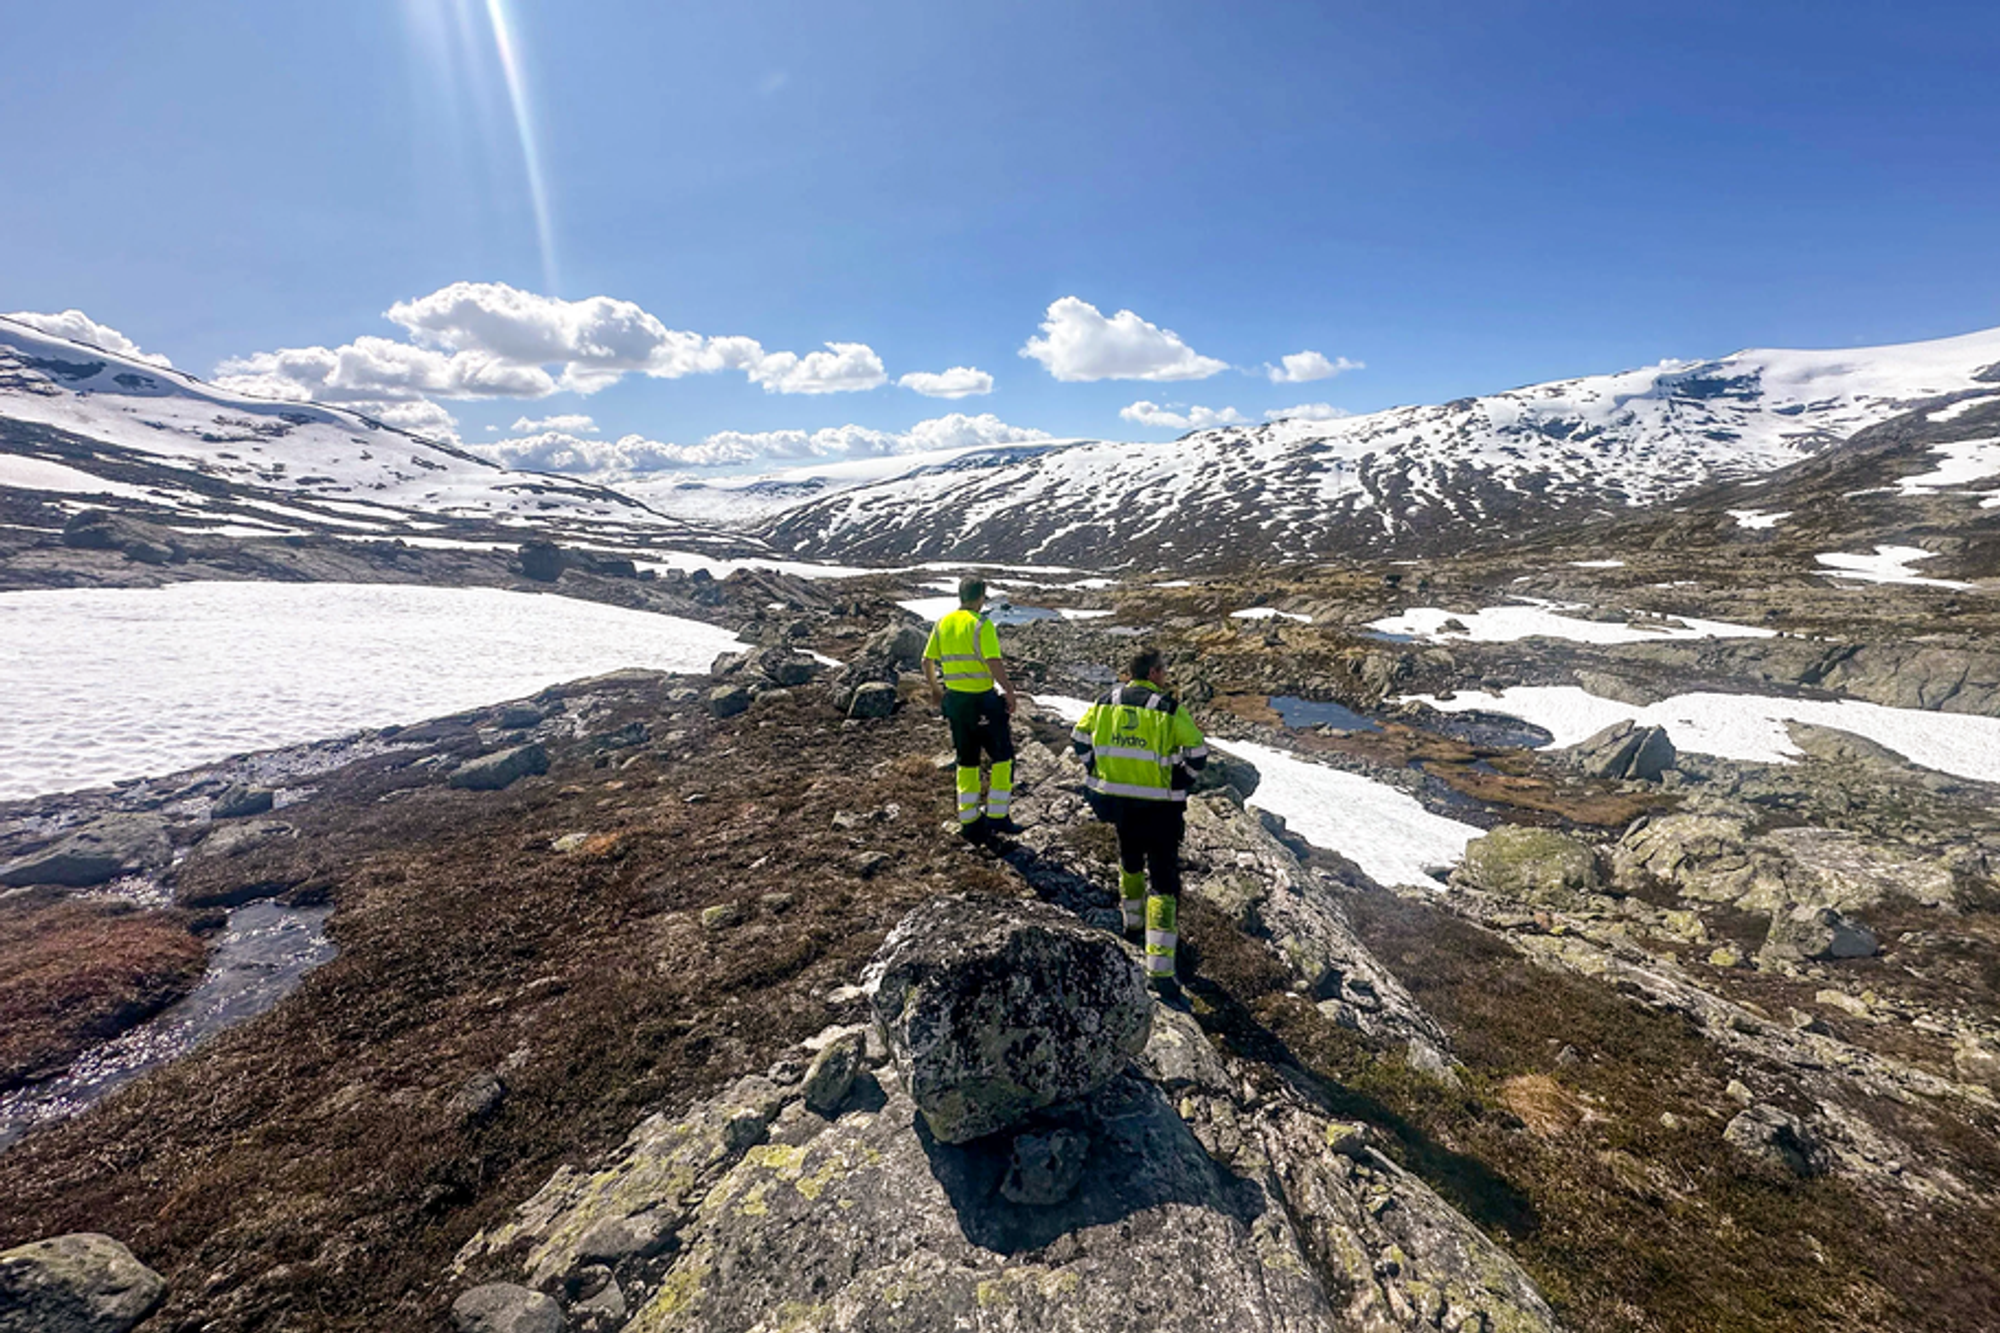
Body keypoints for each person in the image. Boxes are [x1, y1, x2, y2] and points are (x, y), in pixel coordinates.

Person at [1071, 647, 1207, 993]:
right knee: (1163, 878)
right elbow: (1197, 752)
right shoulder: (1167, 708)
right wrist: (1181, 780)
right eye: (1164, 670)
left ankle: (1132, 924)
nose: (1166, 676)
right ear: (1153, 673)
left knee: (1129, 859)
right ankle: (1159, 970)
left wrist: (1095, 767)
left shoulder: (1105, 702)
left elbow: (1079, 737)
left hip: (1117, 801)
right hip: (1159, 805)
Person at [922, 578, 1018, 840]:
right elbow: (993, 661)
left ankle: (969, 820)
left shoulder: (943, 623)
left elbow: (927, 660)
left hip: (955, 701)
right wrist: (1009, 691)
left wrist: (936, 690)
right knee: (1003, 756)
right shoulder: (981, 625)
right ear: (981, 597)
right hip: (982, 700)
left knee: (967, 760)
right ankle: (997, 816)